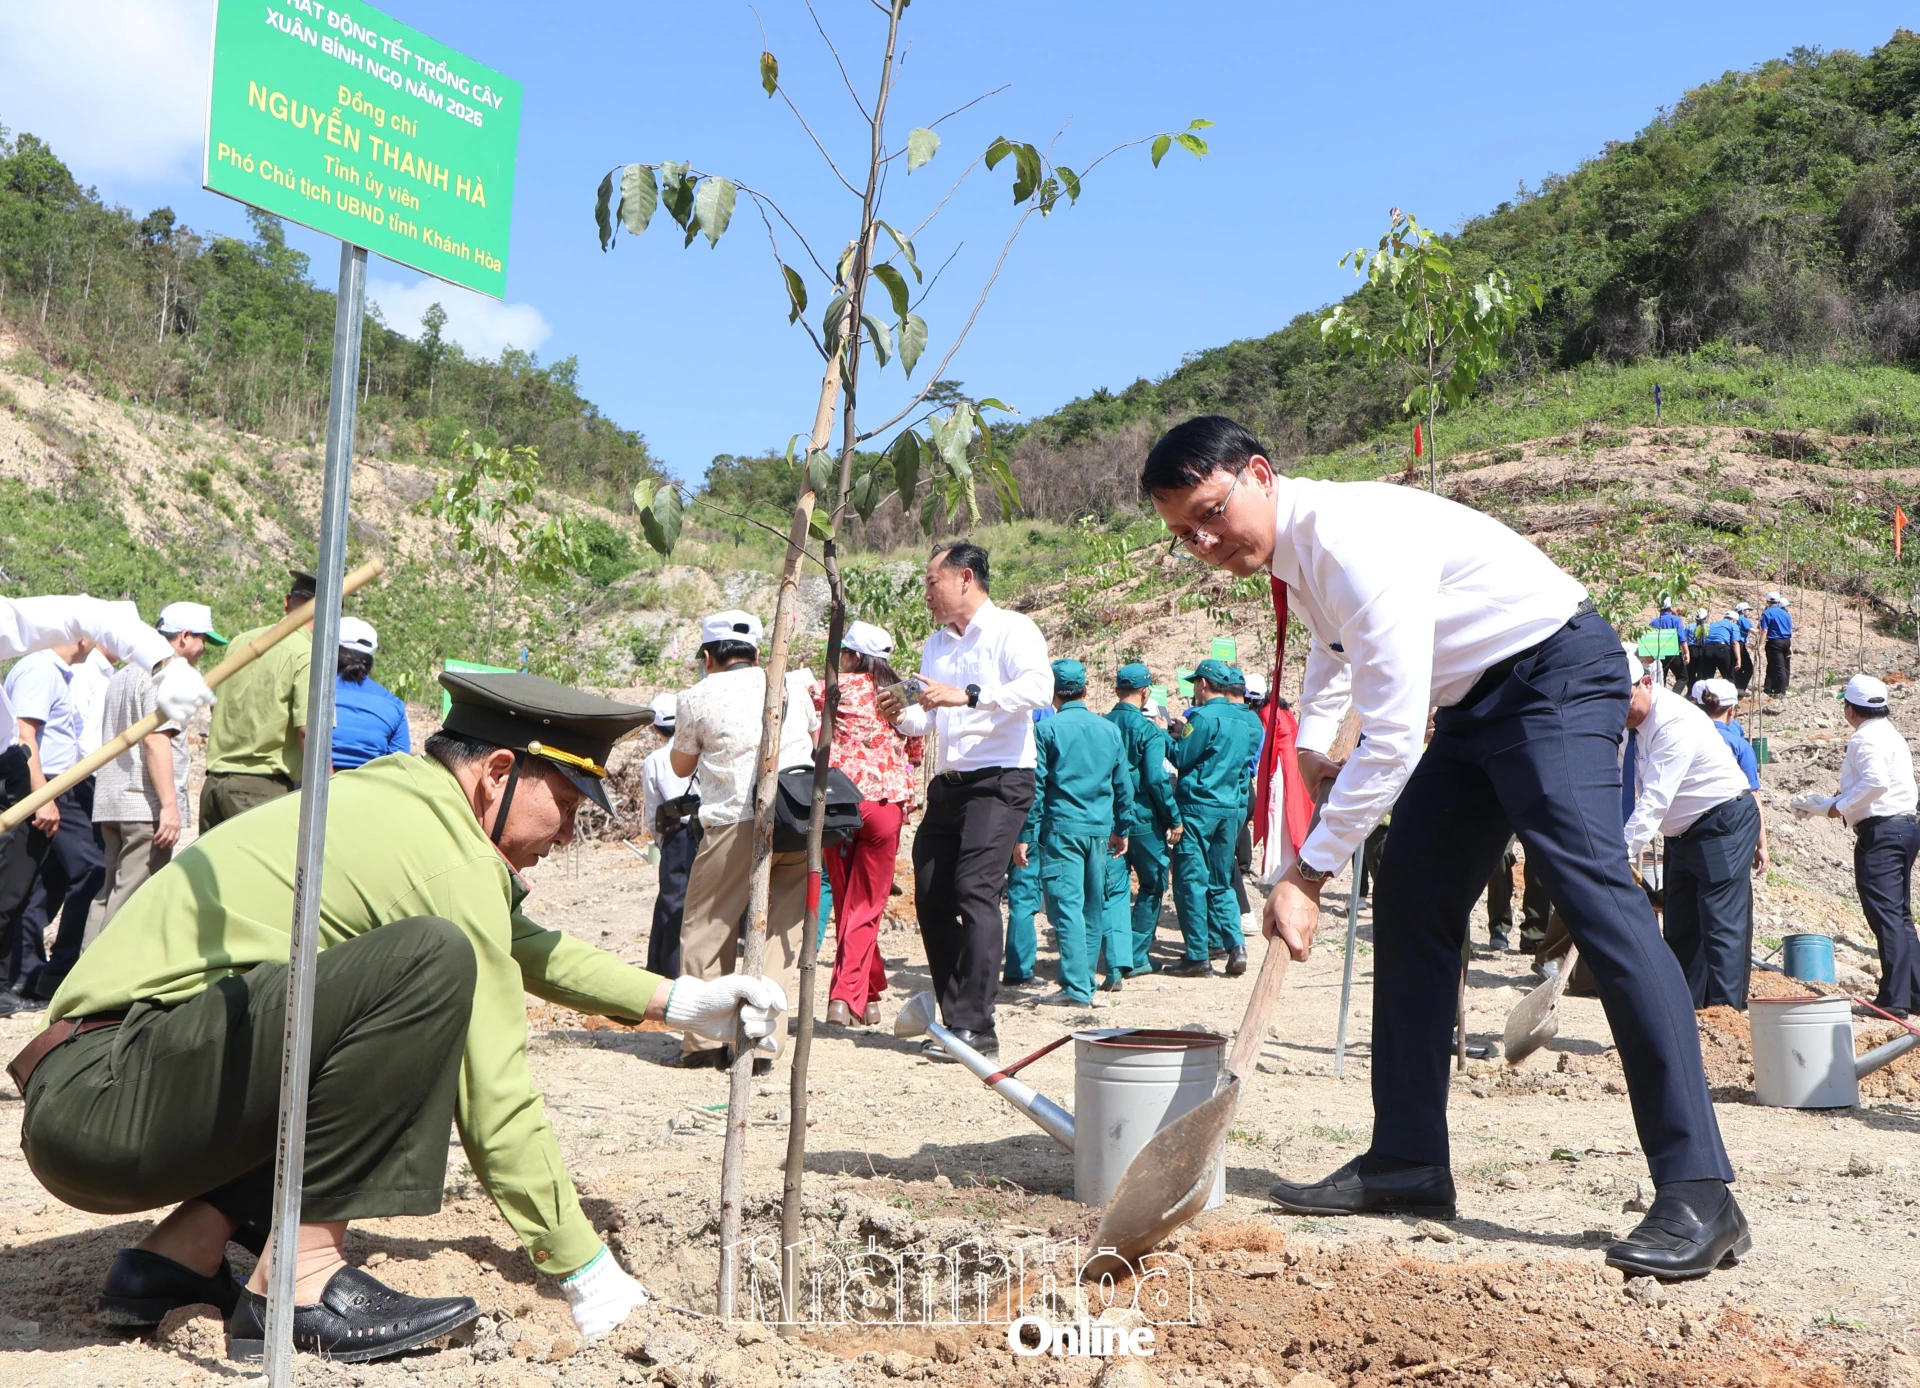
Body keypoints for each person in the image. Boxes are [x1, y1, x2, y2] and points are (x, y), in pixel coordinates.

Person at [19, 670, 784, 1359]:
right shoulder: (449, 857)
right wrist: (586, 1271)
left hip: (101, 1094)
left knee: (378, 998)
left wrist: (678, 1000)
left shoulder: (404, 806)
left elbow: (519, 943)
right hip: (116, 1095)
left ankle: (178, 1255)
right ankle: (303, 1281)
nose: (570, 832)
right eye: (568, 803)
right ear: (498, 774)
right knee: (428, 965)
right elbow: (496, 1095)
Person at [1143, 415, 1746, 1281]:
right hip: (1476, 704)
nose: (1203, 541)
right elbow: (1333, 652)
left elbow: (1389, 740)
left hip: (1553, 673)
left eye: (1209, 513)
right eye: (1183, 535)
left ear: (1260, 475)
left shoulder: (1350, 538)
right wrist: (1314, 748)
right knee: (1414, 891)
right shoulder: (1299, 553)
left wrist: (1309, 872)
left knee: (1597, 901)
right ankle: (1409, 1161)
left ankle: (1700, 1189)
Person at [879, 545, 1050, 1061]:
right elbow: (926, 720)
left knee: (974, 889)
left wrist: (970, 695)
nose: (927, 593)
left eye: (932, 582)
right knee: (929, 891)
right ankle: (955, 1019)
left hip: (1001, 778)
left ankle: (979, 1026)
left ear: (965, 578)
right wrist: (898, 712)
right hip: (950, 782)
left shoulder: (1013, 630)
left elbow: (1040, 690)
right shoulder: (936, 645)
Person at [0, 598, 212, 1010]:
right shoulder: (53, 671)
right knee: (111, 886)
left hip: (72, 787)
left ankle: (69, 975)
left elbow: (88, 614)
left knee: (75, 886)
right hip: (115, 797)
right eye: (201, 639)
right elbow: (155, 742)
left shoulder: (112, 674)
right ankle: (93, 979)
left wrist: (164, 664)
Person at [670, 610, 817, 1068]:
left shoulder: (697, 696)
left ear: (709, 656)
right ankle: (759, 1042)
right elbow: (810, 740)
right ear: (757, 653)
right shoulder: (794, 686)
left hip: (733, 823)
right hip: (796, 821)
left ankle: (703, 1043)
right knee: (779, 934)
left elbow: (679, 767)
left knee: (706, 930)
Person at [1622, 655, 1762, 1011]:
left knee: (1720, 928)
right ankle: (1687, 1016)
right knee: (1681, 927)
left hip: (1720, 824)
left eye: (1625, 700)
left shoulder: (1674, 722)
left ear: (1647, 684)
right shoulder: (1626, 722)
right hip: (1680, 834)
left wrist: (1618, 852)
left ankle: (1726, 1019)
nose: (1621, 712)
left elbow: (1654, 798)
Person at [86, 603, 226, 946]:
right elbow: (156, 742)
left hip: (113, 800)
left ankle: (78, 975)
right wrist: (168, 806)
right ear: (184, 637)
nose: (203, 649)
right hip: (144, 806)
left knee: (109, 892)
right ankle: (103, 983)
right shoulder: (166, 675)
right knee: (132, 899)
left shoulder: (126, 673)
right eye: (202, 639)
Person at [813, 621, 922, 1028]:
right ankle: (865, 994)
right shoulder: (904, 691)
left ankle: (843, 996)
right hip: (885, 806)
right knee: (865, 906)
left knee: (849, 903)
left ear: (854, 656)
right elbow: (915, 749)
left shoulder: (831, 687)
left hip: (839, 806)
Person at [1794, 674, 1920, 1018]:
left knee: (1886, 916)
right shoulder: (1890, 734)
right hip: (1904, 828)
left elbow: (1875, 784)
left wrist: (1836, 807)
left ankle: (1895, 1000)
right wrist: (1826, 805)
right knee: (1900, 915)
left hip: (1881, 833)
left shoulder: (1864, 740)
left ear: (1850, 709)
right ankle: (1914, 992)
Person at [1014, 660, 1132, 1005]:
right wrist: (1121, 828)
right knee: (1092, 906)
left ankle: (1077, 989)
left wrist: (1025, 834)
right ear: (1085, 690)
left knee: (1066, 907)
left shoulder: (1047, 731)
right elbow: (1122, 785)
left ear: (1052, 694)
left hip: (1062, 829)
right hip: (1098, 830)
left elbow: (1035, 790)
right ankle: (1084, 983)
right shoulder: (1109, 730)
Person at [8, 641, 110, 1001]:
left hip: (58, 783)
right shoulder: (39, 670)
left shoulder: (55, 672)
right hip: (48, 782)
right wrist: (44, 797)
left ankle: (28, 972)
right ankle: (56, 968)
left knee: (44, 878)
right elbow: (25, 737)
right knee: (91, 869)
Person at [1166, 659, 1261, 978]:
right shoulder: (1245, 719)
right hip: (1229, 807)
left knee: (1190, 878)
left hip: (1198, 807)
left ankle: (1198, 955)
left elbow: (1181, 757)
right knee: (1221, 880)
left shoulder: (1203, 717)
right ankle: (1236, 945)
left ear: (1203, 684)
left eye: (1196, 683)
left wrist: (1167, 737)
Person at [201, 568, 314, 830]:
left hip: (215, 785)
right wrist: (326, 789)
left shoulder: (241, 642)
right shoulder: (307, 653)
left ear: (287, 602)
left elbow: (216, 701)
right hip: (260, 789)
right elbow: (310, 732)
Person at [1106, 662, 1181, 976]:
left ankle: (1114, 958)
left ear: (1116, 690)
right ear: (1145, 692)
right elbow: (1155, 778)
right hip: (1144, 821)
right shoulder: (1148, 730)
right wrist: (1174, 818)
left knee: (1115, 890)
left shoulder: (1103, 724)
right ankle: (1136, 957)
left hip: (1109, 821)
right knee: (1152, 885)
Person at [639, 693, 695, 978]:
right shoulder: (702, 750)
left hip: (676, 833)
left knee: (672, 903)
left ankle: (668, 970)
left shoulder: (656, 760)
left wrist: (662, 841)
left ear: (656, 728)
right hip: (710, 829)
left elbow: (653, 810)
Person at [330, 616, 410, 771]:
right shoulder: (393, 704)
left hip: (310, 785)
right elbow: (398, 765)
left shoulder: (311, 690)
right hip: (368, 788)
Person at [1650, 599, 1690, 692]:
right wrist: (1686, 652)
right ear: (1670, 608)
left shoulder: (1653, 622)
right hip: (1673, 652)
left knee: (1661, 678)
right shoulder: (1676, 619)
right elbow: (1682, 638)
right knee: (1683, 677)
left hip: (1659, 653)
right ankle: (1675, 695)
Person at [1761, 592, 1793, 696]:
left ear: (1767, 601)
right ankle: (1768, 688)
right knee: (1772, 664)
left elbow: (1764, 630)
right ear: (1778, 602)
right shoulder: (1786, 613)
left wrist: (1760, 645)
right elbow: (1789, 629)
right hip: (1786, 641)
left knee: (1779, 667)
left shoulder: (1767, 613)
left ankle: (1781, 690)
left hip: (1774, 642)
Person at [1731, 603, 1756, 693]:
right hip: (1740, 644)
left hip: (1732, 644)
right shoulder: (1743, 619)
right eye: (1748, 610)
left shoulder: (1735, 619)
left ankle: (1735, 686)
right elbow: (1753, 631)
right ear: (1743, 611)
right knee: (1749, 668)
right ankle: (1741, 688)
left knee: (1737, 667)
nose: (1749, 612)